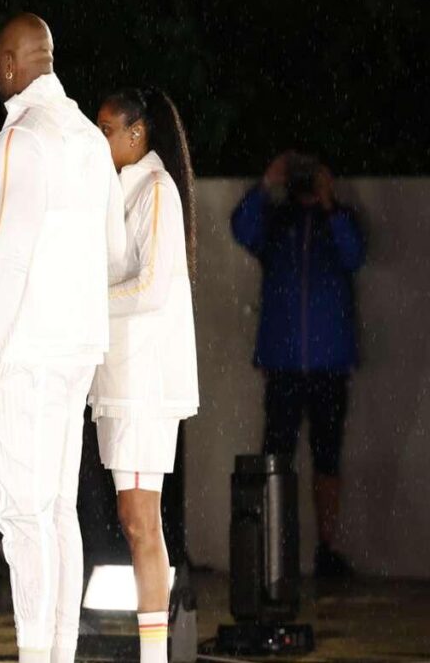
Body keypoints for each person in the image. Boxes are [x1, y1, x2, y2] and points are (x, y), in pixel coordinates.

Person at [0, 13, 126, 663]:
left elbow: (8, 261)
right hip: (80, 346)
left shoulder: (20, 139)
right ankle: (57, 651)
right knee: (59, 509)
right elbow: (113, 252)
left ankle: (40, 654)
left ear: (8, 64)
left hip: (27, 352)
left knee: (25, 516)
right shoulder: (89, 138)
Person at [89, 88, 199, 663]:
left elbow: (152, 287)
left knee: (140, 521)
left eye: (106, 128)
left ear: (137, 134)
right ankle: (151, 651)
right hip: (118, 379)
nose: (97, 136)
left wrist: (85, 302)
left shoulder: (156, 190)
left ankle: (155, 656)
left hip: (144, 382)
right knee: (135, 520)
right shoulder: (118, 190)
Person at [231, 151, 364, 578]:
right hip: (283, 364)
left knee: (327, 460)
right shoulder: (276, 221)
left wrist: (329, 200)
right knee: (277, 458)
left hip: (328, 365)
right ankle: (275, 547)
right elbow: (241, 228)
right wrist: (269, 180)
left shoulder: (336, 219)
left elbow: (355, 254)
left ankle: (326, 549)